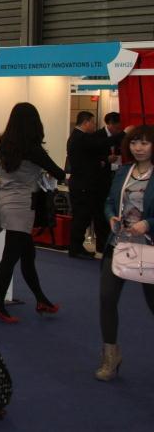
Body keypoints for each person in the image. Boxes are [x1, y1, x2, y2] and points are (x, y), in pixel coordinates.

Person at [0, 102, 66, 323]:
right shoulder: (32, 148)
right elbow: (58, 172)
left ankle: (41, 299)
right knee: (11, 256)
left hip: (6, 200)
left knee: (27, 254)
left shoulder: (3, 144)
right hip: (22, 204)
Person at [95, 124, 154, 381]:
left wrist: (148, 223)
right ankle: (111, 355)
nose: (138, 148)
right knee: (107, 298)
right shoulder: (123, 171)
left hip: (149, 246)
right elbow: (109, 201)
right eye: (134, 142)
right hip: (119, 244)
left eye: (144, 143)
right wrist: (110, 216)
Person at [67, 110, 110, 259]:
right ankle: (75, 248)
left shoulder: (76, 137)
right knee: (81, 217)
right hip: (82, 185)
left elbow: (85, 159)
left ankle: (77, 247)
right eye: (92, 122)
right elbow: (100, 144)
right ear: (86, 123)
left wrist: (99, 163)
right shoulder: (81, 138)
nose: (94, 125)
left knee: (82, 217)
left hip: (80, 184)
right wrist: (123, 134)